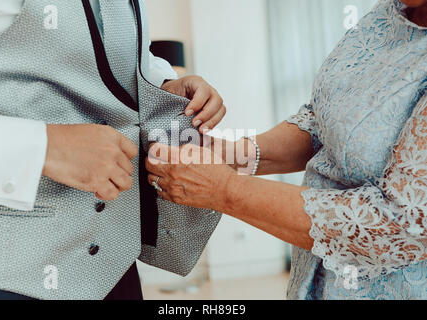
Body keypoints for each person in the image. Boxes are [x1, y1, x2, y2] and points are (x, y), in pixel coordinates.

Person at [146, 0, 427, 299]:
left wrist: (222, 188)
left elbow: (402, 222)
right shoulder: (384, 15)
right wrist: (228, 155)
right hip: (314, 278)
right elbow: (325, 123)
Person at [0, 0, 225, 300]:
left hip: (114, 266)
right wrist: (43, 147)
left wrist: (163, 84)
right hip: (2, 275)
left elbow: (118, 59)